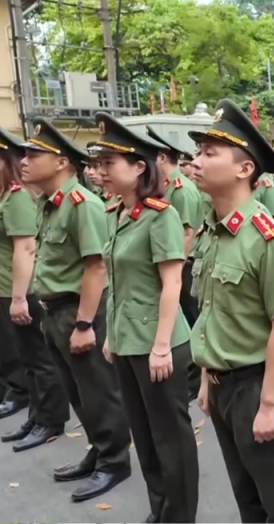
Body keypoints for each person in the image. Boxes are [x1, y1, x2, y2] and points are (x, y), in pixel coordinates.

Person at [189, 99, 274, 522]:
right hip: (223, 384)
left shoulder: (269, 240)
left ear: (244, 169)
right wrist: (208, 377)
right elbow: (213, 311)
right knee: (247, 496)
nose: (196, 161)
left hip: (259, 384)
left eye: (209, 153)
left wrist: (270, 403)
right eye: (198, 152)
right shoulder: (212, 232)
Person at [93, 114, 199, 523]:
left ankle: (180, 515)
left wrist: (160, 346)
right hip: (126, 341)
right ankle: (161, 510)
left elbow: (172, 283)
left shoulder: (161, 215)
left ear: (139, 167)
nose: (101, 171)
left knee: (171, 439)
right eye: (99, 163)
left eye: (109, 163)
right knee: (145, 437)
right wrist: (112, 335)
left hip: (159, 344)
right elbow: (119, 283)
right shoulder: (115, 213)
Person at [20, 117, 132, 502]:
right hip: (54, 311)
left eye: (34, 154)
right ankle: (99, 450)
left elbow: (96, 267)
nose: (24, 161)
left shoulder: (82, 205)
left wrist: (84, 324)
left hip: (79, 311)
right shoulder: (49, 204)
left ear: (62, 162)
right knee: (78, 391)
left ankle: (114, 461)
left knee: (98, 391)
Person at [0, 127, 69, 450]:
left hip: (21, 289)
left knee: (40, 360)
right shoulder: (10, 195)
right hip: (12, 288)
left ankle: (51, 419)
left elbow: (26, 248)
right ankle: (37, 415)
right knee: (28, 359)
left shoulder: (17, 197)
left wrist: (18, 297)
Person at [146, 126, 205, 399]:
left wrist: (175, 271)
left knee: (190, 322)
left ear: (161, 158)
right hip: (175, 266)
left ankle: (193, 380)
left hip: (185, 266)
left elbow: (187, 234)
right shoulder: (165, 187)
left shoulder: (182, 190)